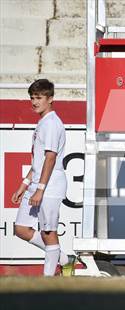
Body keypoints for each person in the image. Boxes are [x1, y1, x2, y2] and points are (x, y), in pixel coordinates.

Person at [11, 79, 75, 276]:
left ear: (50, 99)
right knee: (21, 229)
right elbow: (38, 162)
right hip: (37, 184)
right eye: (32, 97)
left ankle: (47, 281)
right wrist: (24, 185)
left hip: (50, 186)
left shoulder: (53, 124)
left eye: (39, 97)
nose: (34, 102)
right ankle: (66, 260)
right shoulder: (43, 123)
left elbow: (50, 158)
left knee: (49, 232)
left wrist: (40, 188)